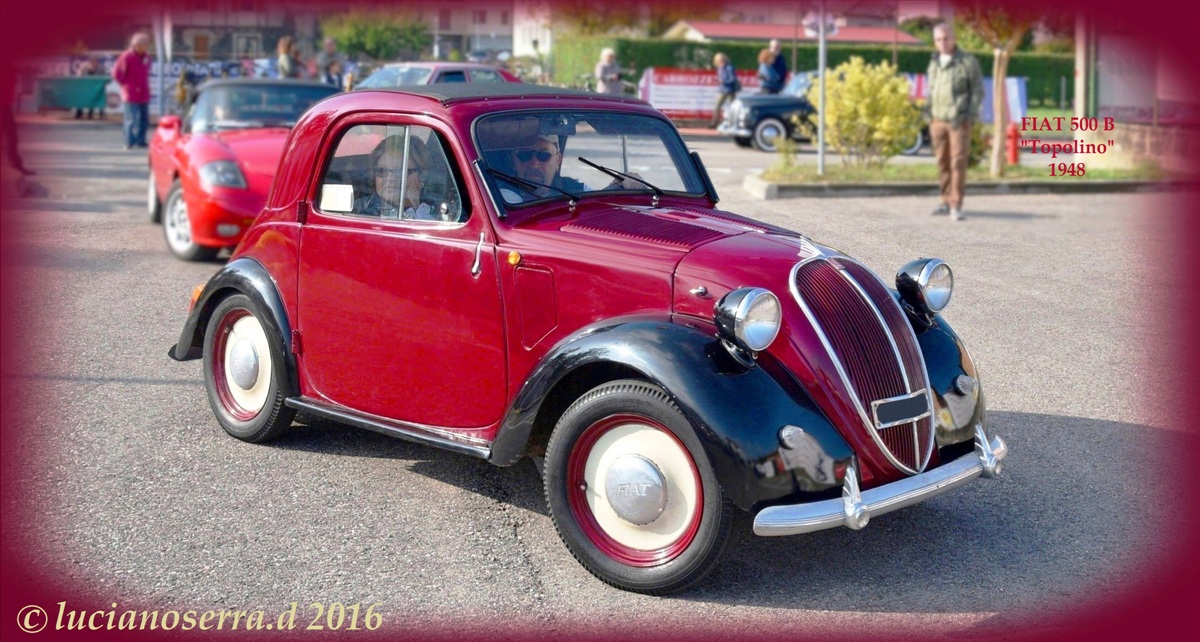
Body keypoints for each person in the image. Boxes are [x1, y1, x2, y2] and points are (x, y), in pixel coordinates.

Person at [926, 22, 983, 222]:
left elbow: (977, 91)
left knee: (957, 163)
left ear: (953, 38)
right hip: (937, 120)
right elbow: (930, 91)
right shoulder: (934, 62)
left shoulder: (968, 62)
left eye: (946, 38)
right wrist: (928, 114)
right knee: (942, 162)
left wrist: (970, 115)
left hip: (958, 121)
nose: (942, 42)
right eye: (938, 39)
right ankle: (944, 200)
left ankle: (956, 205)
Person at [354, 135, 437, 220]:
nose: (390, 178)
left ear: (422, 175)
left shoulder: (441, 211)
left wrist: (416, 207)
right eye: (382, 171)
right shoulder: (359, 212)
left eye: (400, 171)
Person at [508, 134, 586, 199]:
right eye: (525, 155)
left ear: (558, 160)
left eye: (543, 155)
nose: (534, 165)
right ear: (514, 160)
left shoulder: (578, 191)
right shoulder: (502, 198)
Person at [112, 33, 152, 149]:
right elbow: (116, 73)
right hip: (130, 93)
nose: (145, 47)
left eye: (146, 44)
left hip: (144, 92)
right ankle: (128, 141)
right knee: (131, 119)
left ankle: (141, 140)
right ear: (136, 45)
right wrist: (126, 85)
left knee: (144, 119)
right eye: (143, 44)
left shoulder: (147, 57)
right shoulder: (126, 56)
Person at [710, 53, 739, 128]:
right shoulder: (720, 68)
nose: (721, 62)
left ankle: (734, 123)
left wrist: (724, 81)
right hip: (722, 90)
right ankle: (714, 122)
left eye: (722, 60)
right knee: (717, 106)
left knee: (733, 107)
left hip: (730, 90)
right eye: (719, 61)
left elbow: (733, 79)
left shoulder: (729, 67)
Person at [74, 55, 105, 120]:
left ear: (98, 63)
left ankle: (91, 113)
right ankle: (79, 112)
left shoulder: (101, 68)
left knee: (97, 95)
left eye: (96, 62)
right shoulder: (83, 67)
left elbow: (104, 78)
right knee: (80, 96)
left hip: (95, 87)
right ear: (88, 63)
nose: (94, 64)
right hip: (84, 86)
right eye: (92, 62)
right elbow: (78, 77)